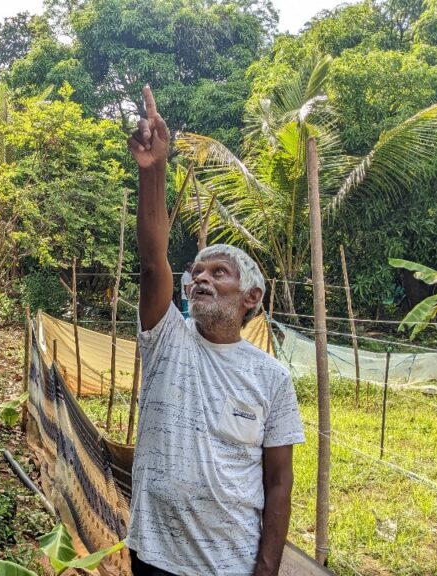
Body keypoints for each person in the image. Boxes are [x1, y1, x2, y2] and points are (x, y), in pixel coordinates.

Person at [127, 86, 305, 576]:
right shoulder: (167, 338)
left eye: (219, 272)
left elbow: (279, 483)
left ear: (251, 297)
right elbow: (153, 262)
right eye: (197, 272)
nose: (201, 278)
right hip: (155, 557)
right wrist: (153, 170)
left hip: (230, 563)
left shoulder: (272, 378)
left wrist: (266, 569)